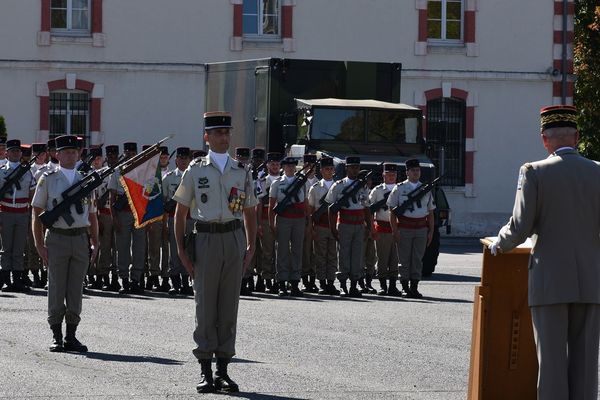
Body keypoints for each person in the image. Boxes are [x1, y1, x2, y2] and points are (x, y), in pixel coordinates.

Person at [489, 105, 600, 400]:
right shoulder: (597, 172)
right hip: (591, 279)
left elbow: (520, 227)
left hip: (550, 279)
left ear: (544, 139)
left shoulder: (533, 171)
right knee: (587, 365)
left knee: (551, 363)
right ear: (576, 136)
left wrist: (499, 242)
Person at [172, 111, 257, 393]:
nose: (224, 137)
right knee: (205, 306)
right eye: (218, 133)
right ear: (206, 137)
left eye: (227, 132)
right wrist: (182, 251)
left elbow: (248, 211)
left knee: (228, 306)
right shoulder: (195, 170)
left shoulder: (241, 170)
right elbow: (180, 213)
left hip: (233, 238)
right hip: (206, 240)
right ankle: (205, 370)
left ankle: (223, 369)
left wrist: (250, 245)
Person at [31, 134, 99, 353]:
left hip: (80, 238)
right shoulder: (48, 178)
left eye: (74, 151)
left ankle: (71, 335)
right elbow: (37, 213)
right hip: (57, 238)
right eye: (66, 151)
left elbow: (93, 215)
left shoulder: (86, 179)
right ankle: (56, 335)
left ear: (79, 154)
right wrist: (39, 244)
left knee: (76, 289)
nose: (70, 155)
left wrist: (95, 241)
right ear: (56, 154)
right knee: (56, 287)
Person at [387, 158, 435, 298]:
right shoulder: (400, 188)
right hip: (405, 227)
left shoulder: (426, 189)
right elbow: (392, 211)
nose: (416, 172)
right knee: (404, 259)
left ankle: (414, 287)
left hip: (421, 228)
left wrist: (431, 231)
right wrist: (395, 230)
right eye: (413, 170)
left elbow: (430, 212)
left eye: (418, 170)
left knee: (417, 259)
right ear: (407, 172)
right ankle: (405, 287)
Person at [326, 156, 371, 297]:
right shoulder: (339, 185)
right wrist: (333, 228)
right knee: (344, 255)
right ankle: (343, 285)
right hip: (345, 223)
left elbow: (366, 207)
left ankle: (354, 286)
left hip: (358, 224)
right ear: (346, 168)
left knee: (357, 256)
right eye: (352, 167)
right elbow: (331, 208)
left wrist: (369, 226)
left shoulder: (362, 186)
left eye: (357, 167)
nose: (354, 169)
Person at [109, 142, 146, 294]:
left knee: (139, 248)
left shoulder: (142, 170)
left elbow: (147, 195)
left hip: (139, 213)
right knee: (122, 248)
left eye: (132, 152)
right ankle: (124, 279)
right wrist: (114, 218)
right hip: (122, 213)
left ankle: (136, 279)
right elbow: (112, 198)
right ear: (123, 153)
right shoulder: (117, 171)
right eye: (127, 152)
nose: (130, 154)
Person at [0, 139, 37, 292]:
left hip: (22, 212)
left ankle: (17, 280)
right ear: (6, 153)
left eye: (18, 151)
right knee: (6, 247)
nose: (15, 153)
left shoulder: (27, 171)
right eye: (12, 150)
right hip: (6, 212)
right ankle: (5, 279)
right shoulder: (1, 170)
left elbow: (32, 194)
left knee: (19, 248)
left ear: (21, 153)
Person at [269, 156, 307, 297]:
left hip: (298, 219)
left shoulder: (301, 182)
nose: (291, 168)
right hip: (284, 218)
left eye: (293, 166)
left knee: (297, 250)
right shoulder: (277, 183)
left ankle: (295, 282)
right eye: (288, 166)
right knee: (283, 251)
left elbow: (306, 202)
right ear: (283, 167)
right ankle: (282, 283)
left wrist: (307, 221)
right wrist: (271, 222)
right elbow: (272, 204)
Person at [162, 146, 193, 295]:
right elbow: (163, 202)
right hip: (174, 218)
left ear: (189, 160)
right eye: (180, 158)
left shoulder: (194, 177)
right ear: (175, 160)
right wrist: (163, 223)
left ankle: (186, 281)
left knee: (188, 250)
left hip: (191, 218)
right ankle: (175, 281)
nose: (183, 161)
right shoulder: (168, 178)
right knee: (175, 250)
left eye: (185, 158)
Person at [307, 156, 339, 295]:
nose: (329, 171)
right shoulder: (315, 188)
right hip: (320, 225)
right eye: (326, 169)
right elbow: (310, 211)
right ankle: (322, 282)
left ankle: (331, 282)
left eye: (331, 169)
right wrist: (311, 228)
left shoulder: (339, 186)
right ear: (321, 171)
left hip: (333, 225)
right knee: (320, 255)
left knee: (332, 255)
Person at [369, 163, 401, 296]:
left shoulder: (401, 189)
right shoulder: (377, 191)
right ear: (383, 175)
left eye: (393, 174)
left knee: (395, 259)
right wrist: (372, 228)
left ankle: (393, 285)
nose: (391, 177)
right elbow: (370, 211)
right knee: (382, 258)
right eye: (388, 174)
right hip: (382, 227)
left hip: (398, 228)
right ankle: (383, 286)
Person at [256, 152, 281, 294]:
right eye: (272, 164)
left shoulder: (286, 179)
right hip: (265, 218)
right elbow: (259, 204)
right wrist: (259, 223)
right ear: (267, 165)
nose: (275, 166)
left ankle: (279, 278)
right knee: (267, 251)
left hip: (282, 218)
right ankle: (267, 279)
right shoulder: (262, 181)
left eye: (277, 164)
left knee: (281, 251)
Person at [301, 153, 319, 293]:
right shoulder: (299, 181)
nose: (310, 169)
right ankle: (305, 278)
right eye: (307, 166)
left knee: (316, 251)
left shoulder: (319, 182)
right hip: (303, 219)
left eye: (312, 167)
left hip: (318, 219)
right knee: (305, 250)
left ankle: (313, 278)